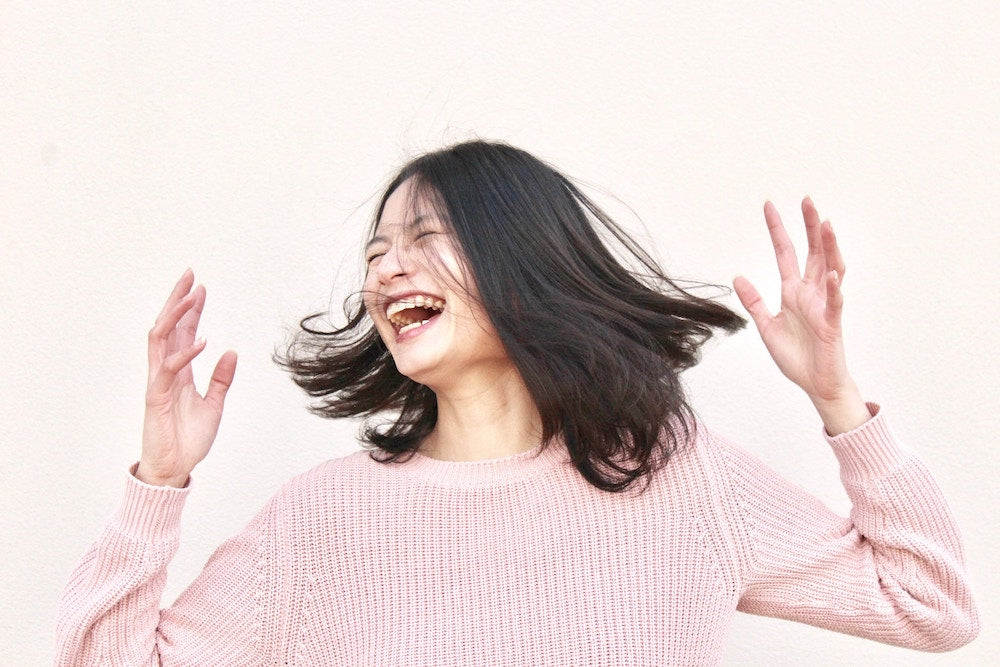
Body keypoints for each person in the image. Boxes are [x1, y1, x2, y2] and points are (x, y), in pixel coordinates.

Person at [56, 141, 978, 665]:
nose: (387, 269)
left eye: (424, 237)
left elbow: (932, 603)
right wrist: (160, 481)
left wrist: (840, 400)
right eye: (377, 253)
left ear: (522, 262)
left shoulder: (675, 477)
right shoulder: (319, 520)